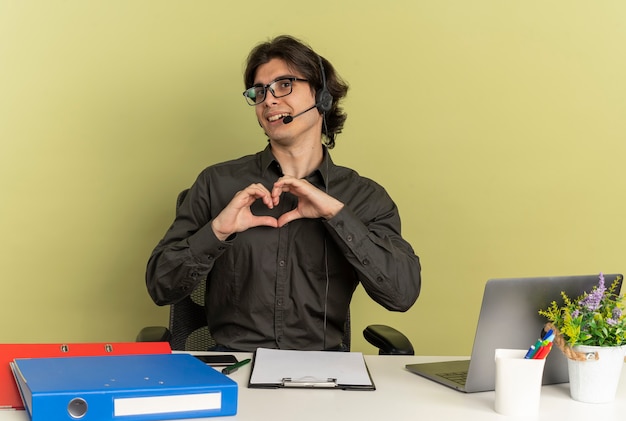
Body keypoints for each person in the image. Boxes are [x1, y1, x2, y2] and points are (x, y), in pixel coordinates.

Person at [146, 35, 421, 352]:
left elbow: (402, 295)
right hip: (234, 367)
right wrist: (217, 230)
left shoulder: (365, 197)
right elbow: (160, 287)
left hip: (322, 373)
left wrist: (336, 215)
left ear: (322, 97)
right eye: (259, 91)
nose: (268, 100)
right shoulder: (216, 183)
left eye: (284, 84)